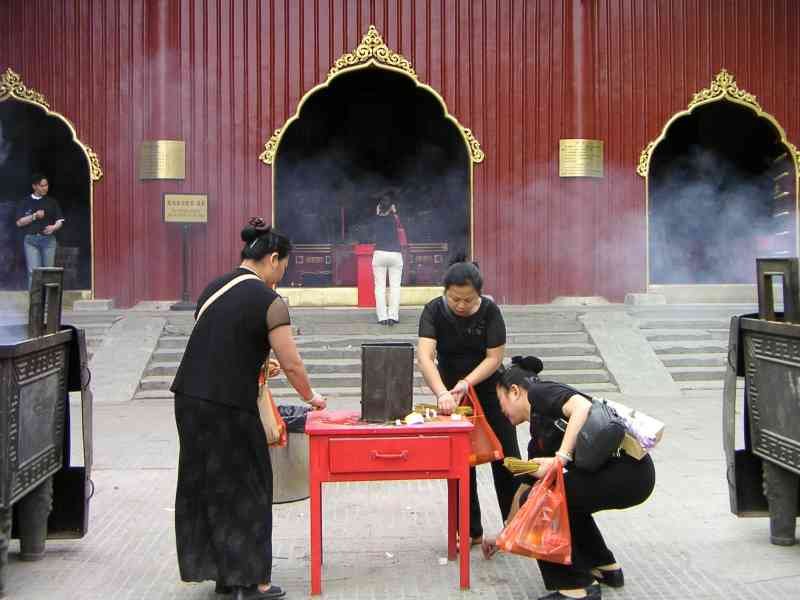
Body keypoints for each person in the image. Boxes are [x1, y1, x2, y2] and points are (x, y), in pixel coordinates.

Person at [170, 218, 327, 600]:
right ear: (273, 258)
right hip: (229, 406)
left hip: (189, 398)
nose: (281, 277)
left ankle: (223, 576)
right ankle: (251, 582)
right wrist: (310, 397)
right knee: (250, 487)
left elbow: (220, 341)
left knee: (207, 484)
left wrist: (256, 363)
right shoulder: (269, 301)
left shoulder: (213, 287)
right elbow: (292, 363)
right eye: (283, 268)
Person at [485, 356, 656, 600]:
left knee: (540, 503)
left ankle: (575, 587)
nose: (500, 409)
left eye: (500, 400)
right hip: (635, 475)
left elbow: (581, 407)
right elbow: (525, 489)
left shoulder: (539, 392)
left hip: (628, 471)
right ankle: (604, 567)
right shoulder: (539, 437)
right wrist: (503, 536)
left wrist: (560, 459)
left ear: (514, 391)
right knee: (561, 498)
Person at [417, 256, 521, 545]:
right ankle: (469, 529)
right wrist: (442, 393)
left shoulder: (490, 311)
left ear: (479, 294)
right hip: (450, 392)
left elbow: (494, 357)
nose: (461, 305)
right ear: (444, 292)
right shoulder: (434, 311)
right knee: (461, 460)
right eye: (455, 299)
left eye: (468, 300)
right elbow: (425, 356)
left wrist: (467, 383)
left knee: (506, 456)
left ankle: (515, 526)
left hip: (491, 391)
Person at [15, 173, 64, 288]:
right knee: (34, 273)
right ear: (34, 186)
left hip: (48, 241)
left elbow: (60, 221)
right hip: (31, 241)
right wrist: (34, 216)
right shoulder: (25, 202)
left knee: (49, 273)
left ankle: (48, 304)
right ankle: (35, 305)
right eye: (42, 186)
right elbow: (18, 223)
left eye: (46, 185)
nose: (45, 188)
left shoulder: (52, 202)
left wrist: (53, 227)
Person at [371, 191, 404, 325]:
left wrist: (377, 213)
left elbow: (370, 231)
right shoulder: (395, 219)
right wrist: (394, 213)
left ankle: (382, 317)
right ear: (391, 207)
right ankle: (393, 316)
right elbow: (401, 227)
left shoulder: (376, 220)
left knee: (380, 287)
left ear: (379, 207)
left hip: (379, 254)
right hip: (395, 254)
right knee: (395, 287)